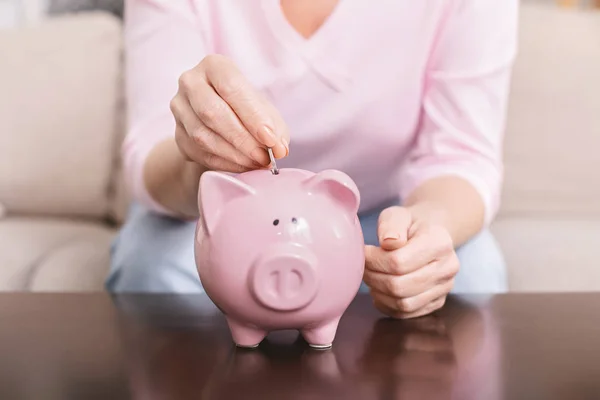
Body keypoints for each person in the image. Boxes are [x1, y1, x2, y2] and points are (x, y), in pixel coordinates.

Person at [106, 0, 518, 319]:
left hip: (381, 217)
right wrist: (200, 158)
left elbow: (461, 155)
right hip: (216, 211)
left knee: (473, 270)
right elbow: (150, 151)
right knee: (151, 265)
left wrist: (430, 226)